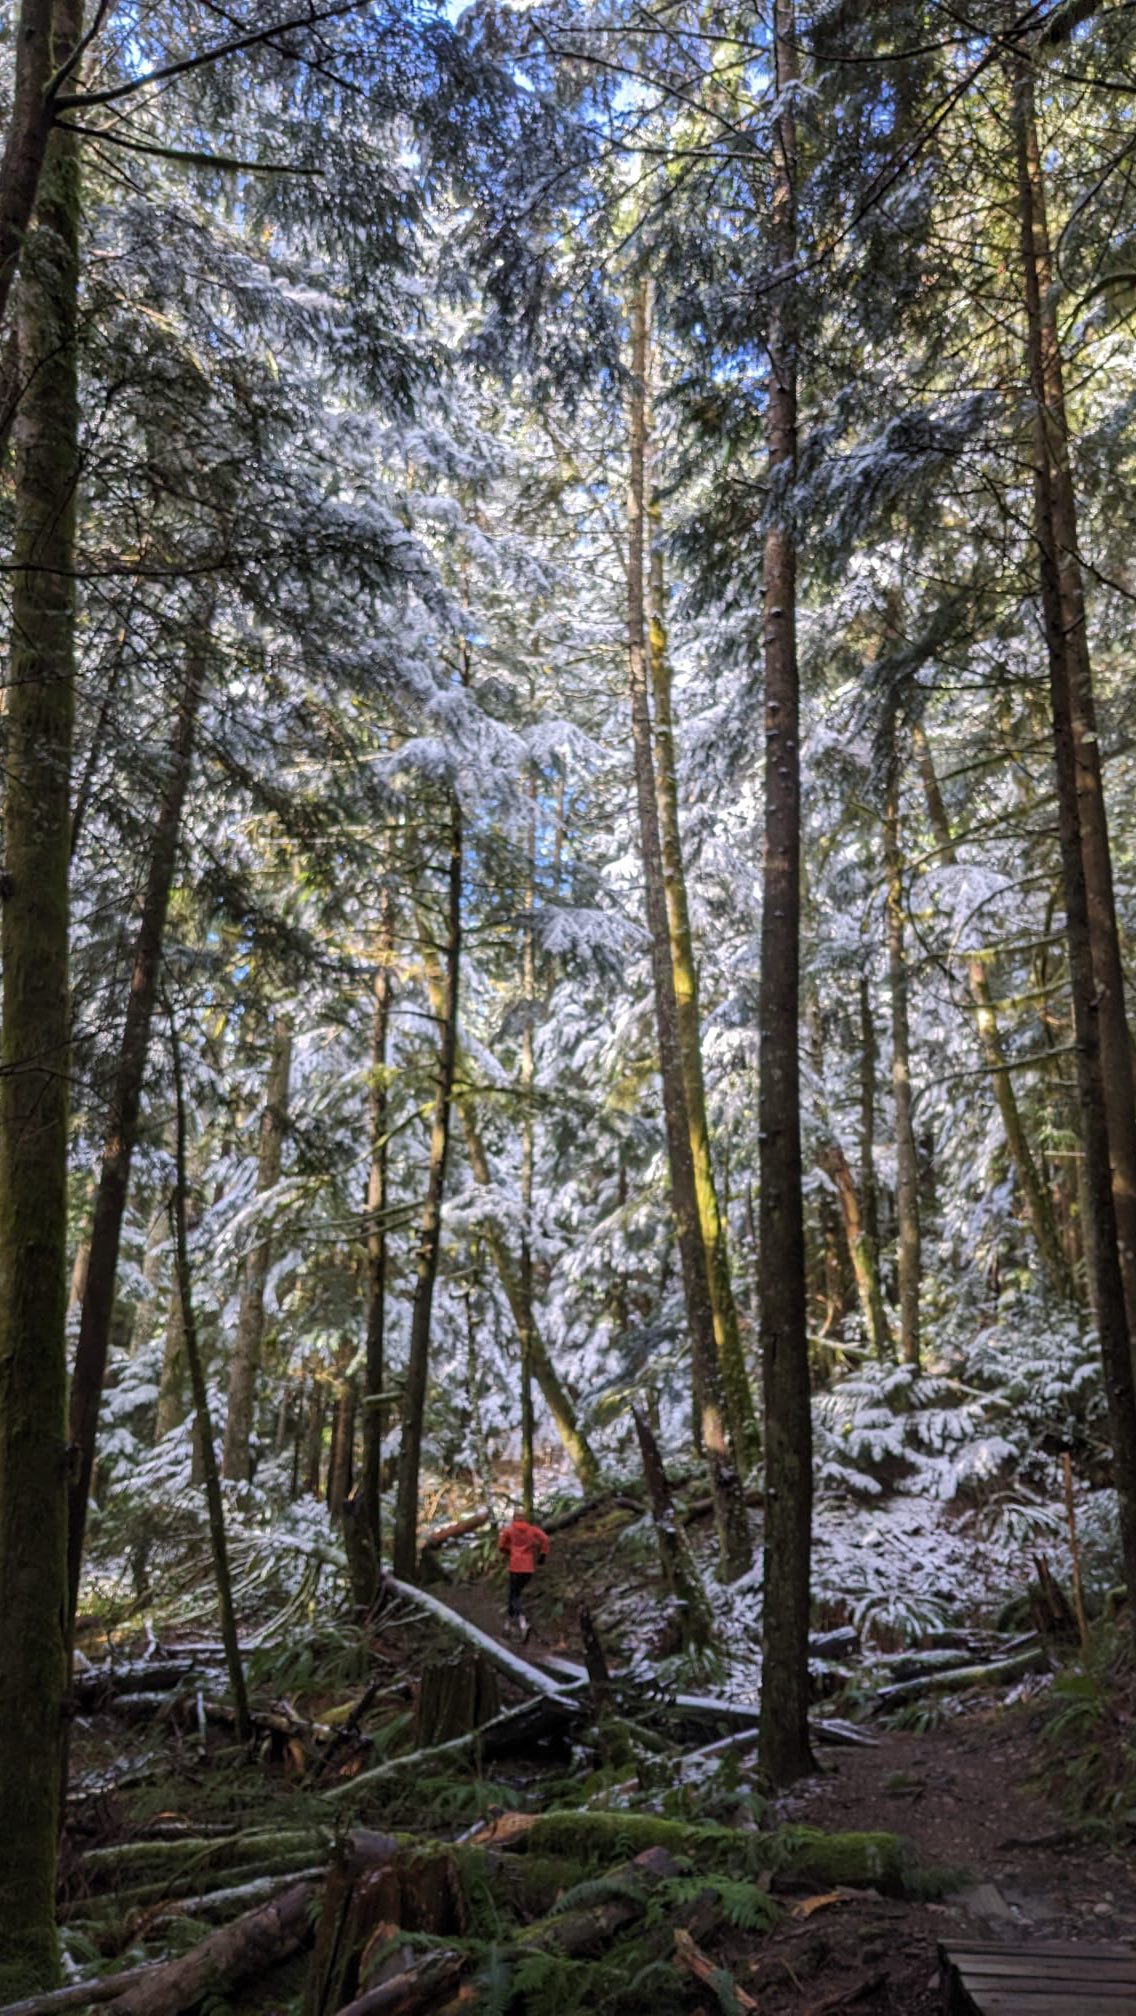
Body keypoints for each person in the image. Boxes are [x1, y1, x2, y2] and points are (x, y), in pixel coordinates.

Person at [497, 1506, 550, 1639]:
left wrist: (510, 1551)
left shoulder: (509, 1531)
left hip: (515, 1567)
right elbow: (545, 1539)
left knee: (514, 1595)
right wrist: (543, 1554)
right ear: (525, 1518)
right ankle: (508, 1625)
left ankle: (521, 1622)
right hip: (528, 1568)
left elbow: (501, 1546)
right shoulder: (532, 1530)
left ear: (514, 1517)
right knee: (515, 1593)